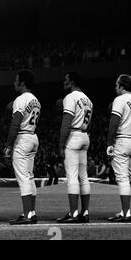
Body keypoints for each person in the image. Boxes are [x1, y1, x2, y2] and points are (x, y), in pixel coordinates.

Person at [4, 70, 40, 225]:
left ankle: (28, 215)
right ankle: (31, 212)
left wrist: (8, 145)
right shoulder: (36, 100)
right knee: (29, 176)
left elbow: (15, 123)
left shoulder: (21, 99)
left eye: (16, 80)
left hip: (23, 138)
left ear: (23, 82)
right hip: (33, 136)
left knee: (23, 177)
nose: (14, 82)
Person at [57, 72, 93, 224]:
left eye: (66, 80)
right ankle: (84, 212)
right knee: (83, 177)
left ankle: (73, 213)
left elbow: (66, 123)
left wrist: (60, 144)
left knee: (72, 177)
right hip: (85, 135)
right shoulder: (88, 100)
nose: (64, 82)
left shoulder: (70, 97)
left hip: (73, 136)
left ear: (71, 82)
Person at [106, 74, 131, 222]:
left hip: (123, 140)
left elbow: (114, 122)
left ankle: (126, 213)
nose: (115, 87)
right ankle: (127, 211)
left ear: (122, 86)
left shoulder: (120, 99)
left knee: (123, 179)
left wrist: (109, 142)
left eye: (117, 85)